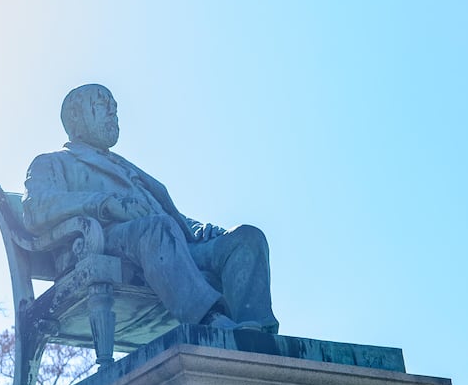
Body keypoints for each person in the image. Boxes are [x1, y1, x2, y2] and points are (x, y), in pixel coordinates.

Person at [22, 84, 278, 333]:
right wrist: (105, 203)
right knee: (158, 229)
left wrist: (202, 231)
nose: (113, 112)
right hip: (105, 245)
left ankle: (256, 336)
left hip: (169, 246)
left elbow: (167, 216)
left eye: (114, 107)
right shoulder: (53, 162)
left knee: (245, 237)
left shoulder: (126, 166)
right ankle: (209, 320)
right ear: (75, 117)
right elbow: (36, 209)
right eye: (102, 104)